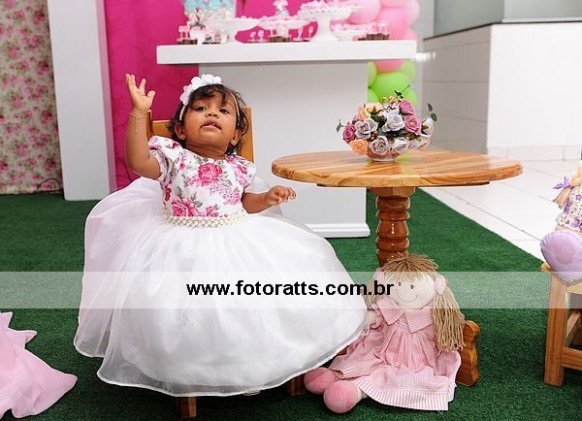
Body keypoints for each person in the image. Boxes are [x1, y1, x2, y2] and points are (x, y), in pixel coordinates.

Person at [73, 74, 367, 397]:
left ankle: (253, 363)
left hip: (238, 237)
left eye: (223, 111)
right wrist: (138, 113)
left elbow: (243, 203)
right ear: (181, 129)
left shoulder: (238, 167)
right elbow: (137, 161)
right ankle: (194, 367)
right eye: (200, 108)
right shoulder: (173, 158)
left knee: (257, 298)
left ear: (235, 135)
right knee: (187, 308)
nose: (212, 113)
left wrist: (266, 199)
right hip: (179, 243)